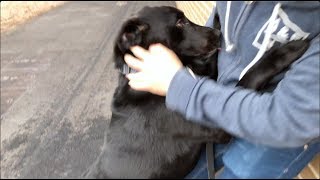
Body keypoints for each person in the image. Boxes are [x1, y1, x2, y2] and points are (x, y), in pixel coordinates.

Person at [124, 1, 320, 179]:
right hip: (219, 94)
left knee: (240, 171)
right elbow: (222, 18)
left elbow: (288, 120)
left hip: (282, 119)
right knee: (179, 168)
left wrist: (181, 87)